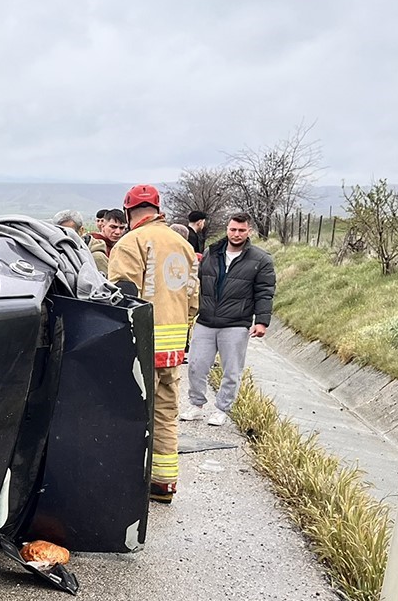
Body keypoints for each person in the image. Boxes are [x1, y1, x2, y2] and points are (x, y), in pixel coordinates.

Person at [107, 184, 199, 504]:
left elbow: (121, 297)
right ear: (158, 210)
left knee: (129, 415)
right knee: (165, 415)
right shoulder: (183, 245)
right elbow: (193, 301)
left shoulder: (131, 242)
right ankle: (163, 484)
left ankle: (125, 486)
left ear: (129, 211)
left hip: (141, 348)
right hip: (173, 349)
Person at [180, 212, 276, 427]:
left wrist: (262, 321)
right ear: (227, 229)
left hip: (236, 323)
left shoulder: (261, 260)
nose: (236, 234)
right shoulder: (211, 252)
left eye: (241, 230)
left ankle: (222, 409)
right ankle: (196, 405)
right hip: (205, 320)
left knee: (231, 370)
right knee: (195, 365)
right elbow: (196, 282)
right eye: (233, 229)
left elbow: (265, 292)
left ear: (249, 231)